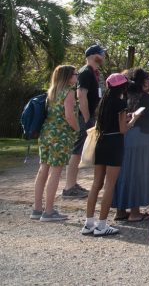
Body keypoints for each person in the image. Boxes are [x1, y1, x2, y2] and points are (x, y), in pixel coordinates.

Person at [81, 73, 130, 237]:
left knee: (96, 184)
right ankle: (102, 225)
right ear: (122, 87)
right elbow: (123, 129)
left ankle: (89, 222)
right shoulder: (121, 103)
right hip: (115, 144)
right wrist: (133, 120)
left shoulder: (103, 102)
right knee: (110, 185)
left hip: (101, 143)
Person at [112, 68, 149, 222]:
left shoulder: (123, 98)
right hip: (144, 141)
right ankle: (135, 212)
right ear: (144, 82)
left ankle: (120, 210)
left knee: (124, 175)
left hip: (124, 140)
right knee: (138, 174)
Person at [31, 65, 80, 221]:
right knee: (55, 171)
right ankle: (49, 211)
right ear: (68, 76)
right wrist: (78, 129)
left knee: (43, 169)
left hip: (46, 133)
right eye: (75, 74)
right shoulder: (69, 92)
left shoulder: (51, 92)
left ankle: (37, 208)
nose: (77, 76)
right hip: (61, 135)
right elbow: (69, 115)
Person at [63, 43, 105, 198]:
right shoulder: (86, 72)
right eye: (101, 54)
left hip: (90, 116)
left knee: (80, 151)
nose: (104, 57)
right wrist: (87, 117)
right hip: (84, 117)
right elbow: (81, 95)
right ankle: (69, 186)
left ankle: (72, 184)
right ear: (94, 55)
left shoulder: (94, 73)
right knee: (77, 150)